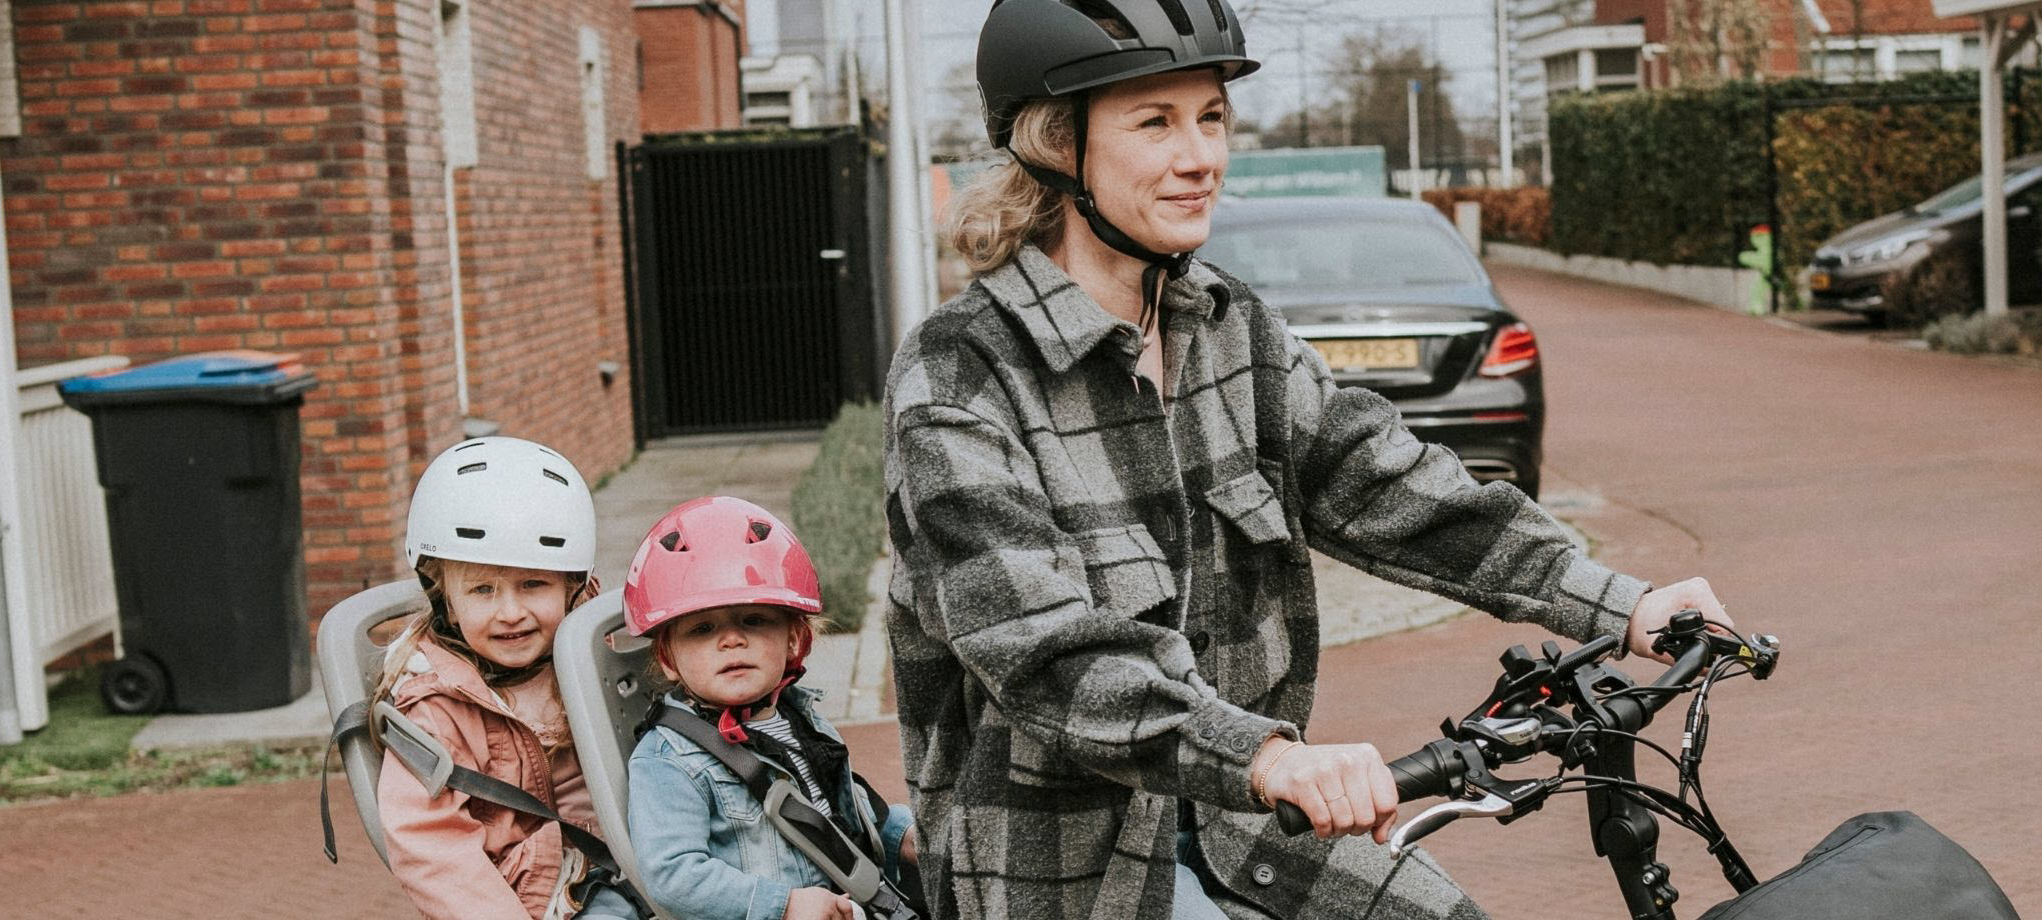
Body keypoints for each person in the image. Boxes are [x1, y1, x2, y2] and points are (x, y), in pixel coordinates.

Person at [880, 2, 1738, 917]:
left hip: (1245, 829)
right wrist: (1270, 757)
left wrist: (1622, 601)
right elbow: (1046, 651)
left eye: (1211, 117)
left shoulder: (1229, 328)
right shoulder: (960, 372)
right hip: (1068, 869)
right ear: (1057, 147)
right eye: (1155, 123)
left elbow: (1390, 487)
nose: (1201, 156)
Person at [615, 496, 921, 920]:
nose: (731, 640)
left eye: (753, 621)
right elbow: (674, 875)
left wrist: (901, 835)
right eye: (703, 629)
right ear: (668, 659)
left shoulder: (801, 719)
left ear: (795, 639)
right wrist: (784, 905)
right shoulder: (669, 760)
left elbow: (839, 817)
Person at [372, 436, 637, 920]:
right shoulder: (434, 708)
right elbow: (432, 849)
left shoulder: (592, 658)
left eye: (533, 584)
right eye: (482, 589)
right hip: (523, 900)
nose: (510, 612)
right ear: (446, 599)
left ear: (572, 586)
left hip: (628, 867)